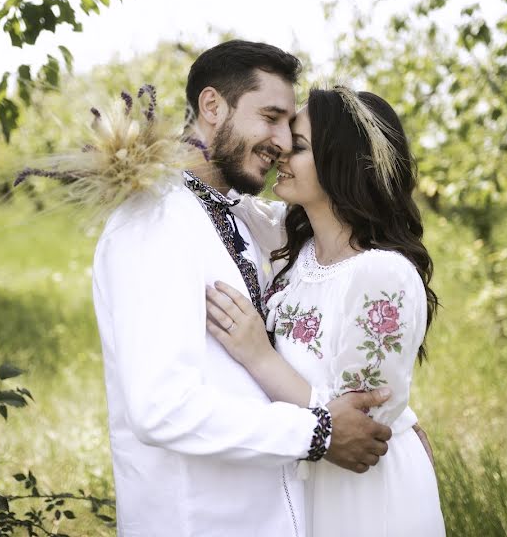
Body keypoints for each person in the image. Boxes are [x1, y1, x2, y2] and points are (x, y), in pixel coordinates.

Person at [91, 41, 397, 537]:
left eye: (290, 126)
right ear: (213, 106)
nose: (281, 140)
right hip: (199, 521)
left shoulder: (247, 219)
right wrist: (318, 432)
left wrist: (396, 416)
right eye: (271, 117)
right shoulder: (151, 222)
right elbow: (161, 409)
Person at [204, 86, 446, 536]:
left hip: (365, 497)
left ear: (342, 163)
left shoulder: (381, 276)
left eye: (297, 146)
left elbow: (360, 429)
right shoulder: (296, 248)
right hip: (305, 482)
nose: (280, 152)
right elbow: (216, 190)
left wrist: (259, 356)